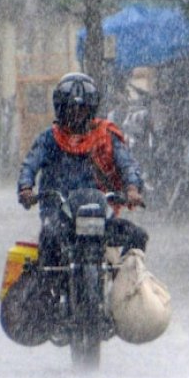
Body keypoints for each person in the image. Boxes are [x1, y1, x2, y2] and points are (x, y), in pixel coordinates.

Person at [17, 72, 148, 264]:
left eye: (82, 109)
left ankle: (120, 279)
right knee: (48, 238)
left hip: (99, 213)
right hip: (60, 215)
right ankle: (49, 282)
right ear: (61, 109)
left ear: (91, 109)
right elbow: (29, 165)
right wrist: (26, 188)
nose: (76, 114)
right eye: (71, 109)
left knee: (138, 236)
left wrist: (132, 189)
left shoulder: (105, 135)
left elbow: (127, 164)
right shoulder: (49, 139)